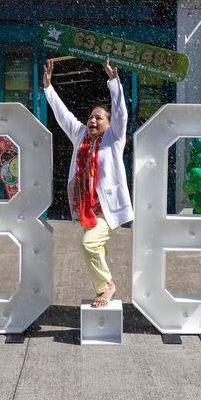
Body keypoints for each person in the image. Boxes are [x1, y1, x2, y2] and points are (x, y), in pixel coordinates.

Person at [44, 58, 133, 308]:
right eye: (91, 117)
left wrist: (113, 82)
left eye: (99, 118)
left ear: (108, 123)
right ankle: (102, 290)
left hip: (107, 209)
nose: (93, 121)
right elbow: (63, 115)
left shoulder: (114, 138)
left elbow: (121, 113)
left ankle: (107, 286)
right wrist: (48, 88)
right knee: (97, 249)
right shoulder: (80, 135)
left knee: (89, 244)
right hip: (87, 208)